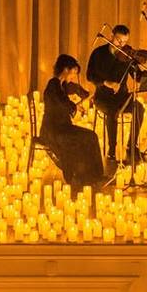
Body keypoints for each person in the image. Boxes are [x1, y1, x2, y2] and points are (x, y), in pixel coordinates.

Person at [40, 54, 103, 190]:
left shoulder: (61, 85)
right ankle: (87, 175)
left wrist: (82, 98)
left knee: (91, 136)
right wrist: (74, 107)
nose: (74, 76)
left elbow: (66, 98)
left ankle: (92, 176)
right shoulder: (53, 84)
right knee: (87, 137)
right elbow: (61, 102)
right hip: (54, 130)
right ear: (65, 69)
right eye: (73, 72)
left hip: (62, 127)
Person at [87, 24, 147, 163]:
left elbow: (136, 74)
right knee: (112, 111)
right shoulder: (98, 53)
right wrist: (106, 83)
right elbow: (90, 76)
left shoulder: (127, 54)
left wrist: (143, 72)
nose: (122, 45)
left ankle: (131, 145)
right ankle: (112, 149)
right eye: (119, 41)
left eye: (125, 42)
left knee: (139, 108)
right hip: (103, 97)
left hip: (122, 96)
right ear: (111, 36)